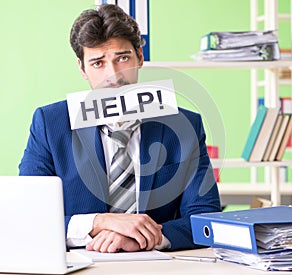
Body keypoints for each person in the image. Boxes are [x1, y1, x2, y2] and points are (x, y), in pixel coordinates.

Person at [19, 4, 221, 253]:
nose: (113, 75)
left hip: (157, 265)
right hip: (81, 263)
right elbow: (28, 217)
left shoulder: (185, 126)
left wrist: (146, 238)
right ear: (82, 69)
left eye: (122, 58)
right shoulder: (50, 124)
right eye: (98, 63)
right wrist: (99, 222)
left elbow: (206, 219)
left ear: (140, 57)